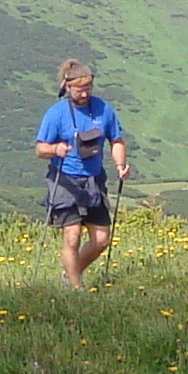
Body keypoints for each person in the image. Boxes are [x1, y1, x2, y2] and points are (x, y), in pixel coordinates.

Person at [33, 59, 128, 287]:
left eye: (88, 89)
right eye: (79, 90)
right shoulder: (56, 114)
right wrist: (56, 149)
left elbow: (116, 140)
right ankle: (76, 289)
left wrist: (120, 164)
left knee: (101, 239)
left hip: (94, 179)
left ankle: (70, 274)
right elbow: (40, 149)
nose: (84, 94)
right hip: (65, 179)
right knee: (72, 236)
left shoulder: (103, 109)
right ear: (67, 87)